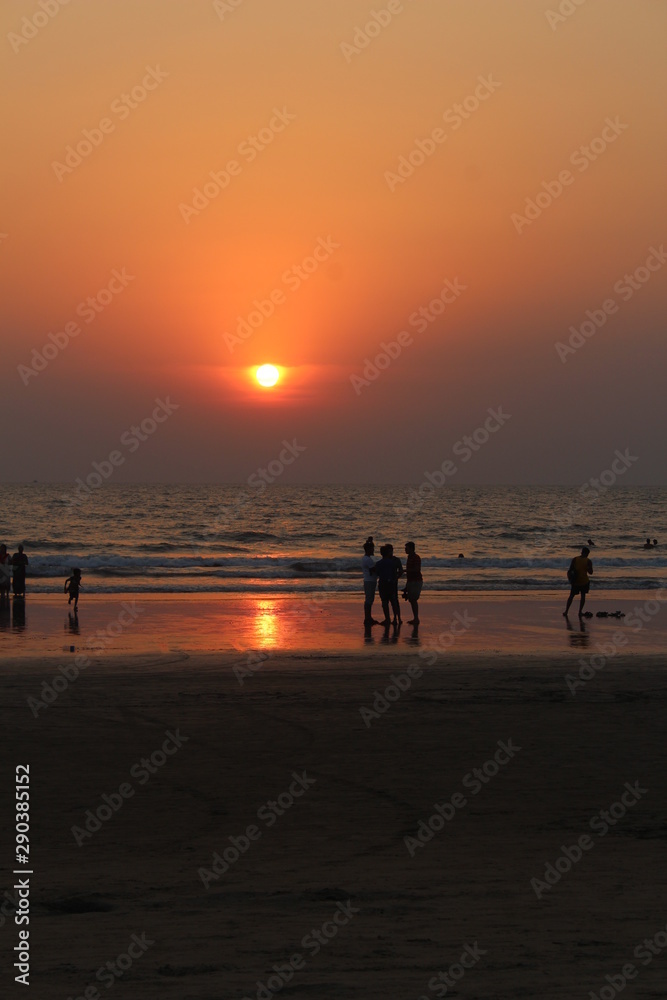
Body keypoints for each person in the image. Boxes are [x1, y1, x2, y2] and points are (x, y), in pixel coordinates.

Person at [375, 544, 403, 626]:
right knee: (393, 601)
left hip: (383, 583)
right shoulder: (393, 562)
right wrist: (395, 578)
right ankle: (395, 618)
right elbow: (397, 572)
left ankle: (389, 619)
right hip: (391, 583)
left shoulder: (379, 563)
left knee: (385, 602)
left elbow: (377, 573)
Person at [564, 545, 593, 618]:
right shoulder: (588, 561)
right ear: (586, 553)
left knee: (571, 596)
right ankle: (579, 612)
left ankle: (566, 611)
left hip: (576, 581)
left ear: (581, 552)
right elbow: (591, 572)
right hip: (584, 582)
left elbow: (570, 570)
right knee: (582, 596)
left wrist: (570, 579)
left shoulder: (575, 559)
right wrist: (588, 568)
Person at [403, 541, 423, 625]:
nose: (405, 550)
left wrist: (405, 570)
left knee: (413, 600)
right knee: (411, 600)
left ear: (411, 549)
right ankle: (415, 618)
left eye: (406, 548)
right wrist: (406, 586)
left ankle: (416, 619)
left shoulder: (416, 557)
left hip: (416, 581)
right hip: (411, 581)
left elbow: (416, 570)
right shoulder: (409, 557)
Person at [361, 537, 379, 626]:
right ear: (368, 549)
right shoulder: (367, 559)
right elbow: (374, 570)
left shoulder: (366, 558)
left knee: (369, 599)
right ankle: (367, 618)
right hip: (370, 581)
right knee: (369, 600)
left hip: (369, 580)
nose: (373, 550)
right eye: (372, 549)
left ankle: (368, 617)